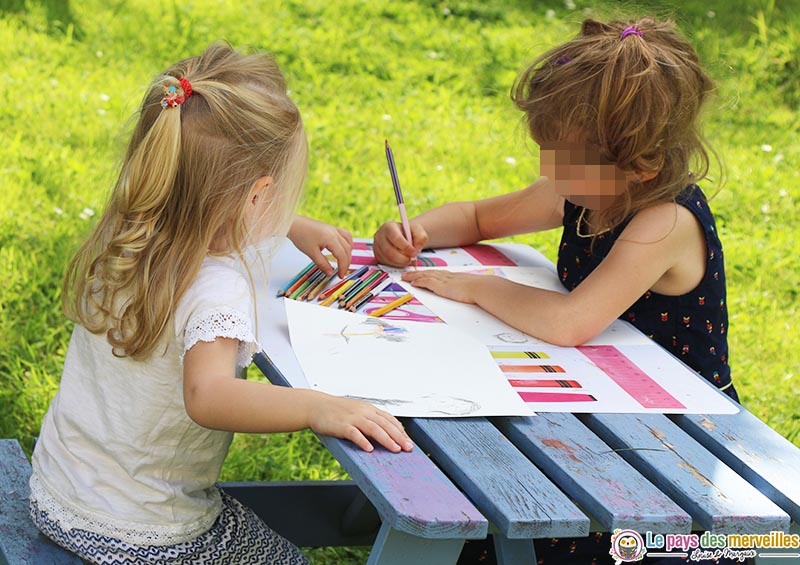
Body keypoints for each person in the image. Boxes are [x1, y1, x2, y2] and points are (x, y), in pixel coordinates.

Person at [373, 16, 743, 565]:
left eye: (564, 161)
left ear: (640, 165)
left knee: (541, 526)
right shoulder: (587, 186)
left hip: (674, 437)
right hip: (597, 401)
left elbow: (571, 322)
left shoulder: (665, 222)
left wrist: (476, 288)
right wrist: (413, 233)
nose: (550, 171)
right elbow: (477, 218)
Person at [29, 43, 413, 565]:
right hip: (142, 529)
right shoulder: (218, 286)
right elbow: (208, 395)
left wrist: (292, 226)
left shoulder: (130, 225)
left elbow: (200, 202)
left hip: (58, 492)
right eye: (279, 201)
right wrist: (317, 406)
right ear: (255, 197)